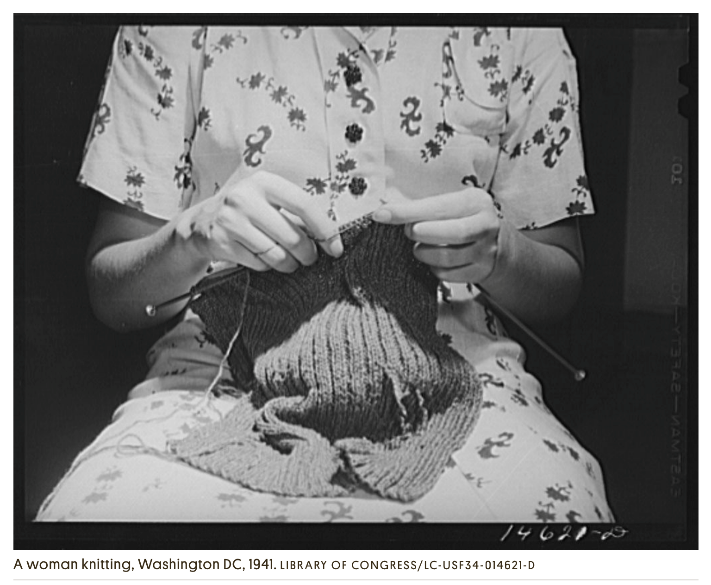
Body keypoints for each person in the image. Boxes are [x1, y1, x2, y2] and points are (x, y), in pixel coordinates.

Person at [36, 25, 614, 522]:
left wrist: (500, 254)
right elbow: (111, 295)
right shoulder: (172, 26)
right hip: (220, 372)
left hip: (457, 366)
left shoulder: (520, 30)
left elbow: (558, 285)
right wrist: (193, 236)